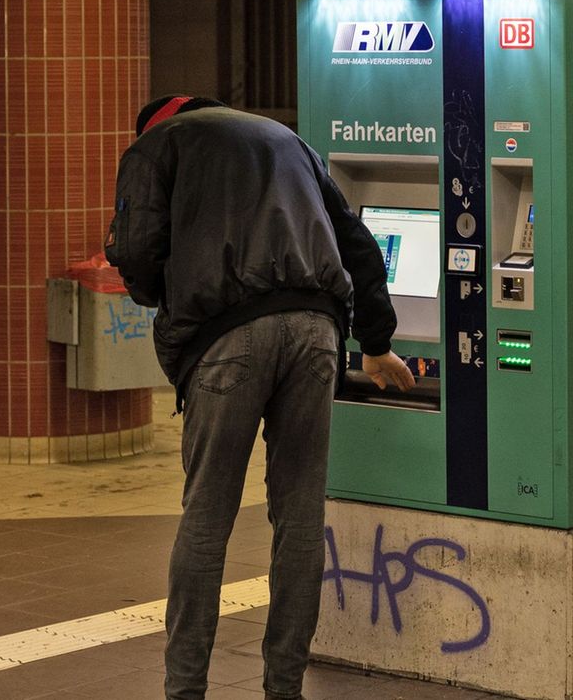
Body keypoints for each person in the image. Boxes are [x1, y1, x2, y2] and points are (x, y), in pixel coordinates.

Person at [105, 95, 416, 700]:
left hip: (228, 337)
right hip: (317, 333)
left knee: (207, 517)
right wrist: (375, 340)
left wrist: (165, 293)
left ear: (155, 123)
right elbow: (357, 242)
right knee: (300, 517)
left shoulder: (156, 145)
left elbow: (136, 250)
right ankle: (284, 688)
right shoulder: (285, 140)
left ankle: (186, 689)